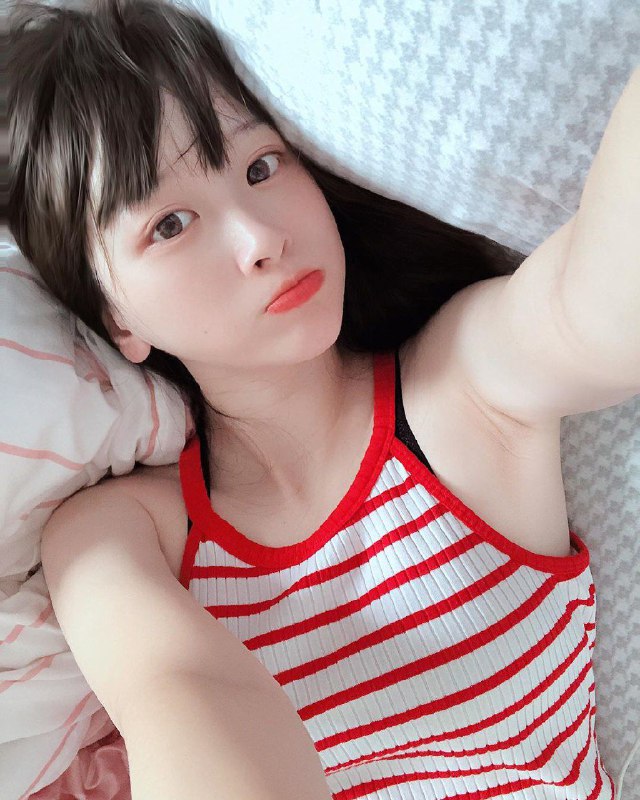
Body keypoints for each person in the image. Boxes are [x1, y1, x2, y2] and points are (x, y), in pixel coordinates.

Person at [8, 0, 625, 797]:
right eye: (171, 224)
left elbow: (598, 303)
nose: (260, 237)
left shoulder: (460, 388)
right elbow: (180, 694)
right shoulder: (122, 532)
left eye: (261, 168)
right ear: (116, 318)